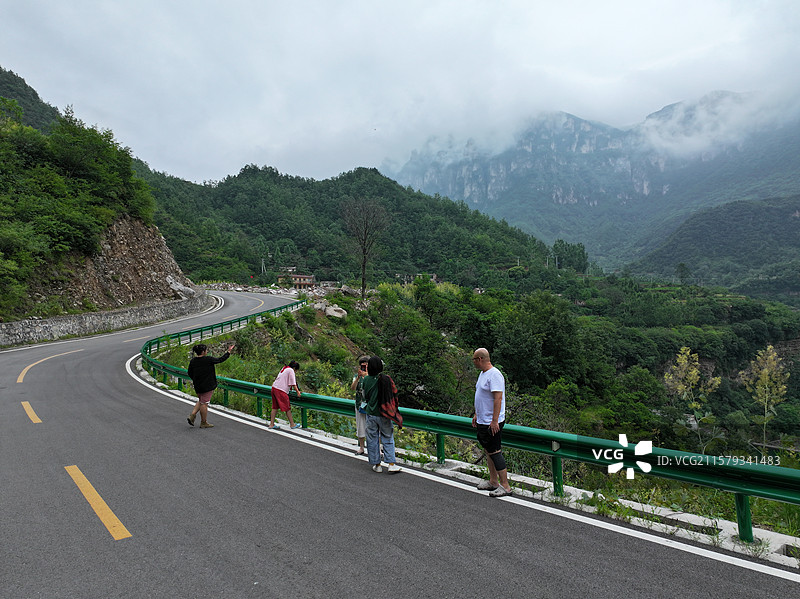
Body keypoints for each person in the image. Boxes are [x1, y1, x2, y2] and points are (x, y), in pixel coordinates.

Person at [472, 347, 512, 497]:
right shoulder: (483, 374)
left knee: (495, 451)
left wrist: (495, 421)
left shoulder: (494, 375)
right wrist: (477, 413)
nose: (474, 363)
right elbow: (481, 395)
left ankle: (505, 486)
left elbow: (498, 398)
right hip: (483, 419)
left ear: (480, 359)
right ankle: (493, 481)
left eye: (474, 359)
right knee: (488, 451)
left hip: (491, 421)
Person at [362, 356, 402, 474]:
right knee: (387, 437)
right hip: (384, 413)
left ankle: (377, 465)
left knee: (372, 439)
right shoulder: (386, 379)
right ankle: (391, 464)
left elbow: (365, 397)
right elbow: (394, 394)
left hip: (371, 413)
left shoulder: (366, 380)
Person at [187, 342, 235, 428]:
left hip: (198, 385)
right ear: (203, 352)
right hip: (207, 385)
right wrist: (228, 352)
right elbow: (220, 360)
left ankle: (192, 415)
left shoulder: (193, 361)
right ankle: (203, 422)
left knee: (201, 400)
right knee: (204, 404)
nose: (207, 351)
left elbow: (189, 372)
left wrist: (196, 380)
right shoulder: (208, 359)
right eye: (206, 350)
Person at [269, 360, 302, 430]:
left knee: (275, 407)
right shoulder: (291, 371)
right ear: (295, 368)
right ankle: (292, 424)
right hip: (281, 390)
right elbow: (293, 383)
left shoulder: (285, 368)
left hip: (274, 388)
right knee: (287, 407)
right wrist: (298, 392)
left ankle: (271, 424)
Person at [350, 355, 370, 455]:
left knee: (374, 427)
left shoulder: (372, 376)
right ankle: (361, 447)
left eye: (365, 366)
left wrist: (366, 375)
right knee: (360, 426)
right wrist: (358, 378)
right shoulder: (357, 376)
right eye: (362, 366)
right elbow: (352, 388)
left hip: (370, 405)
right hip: (359, 404)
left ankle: (377, 448)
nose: (364, 368)